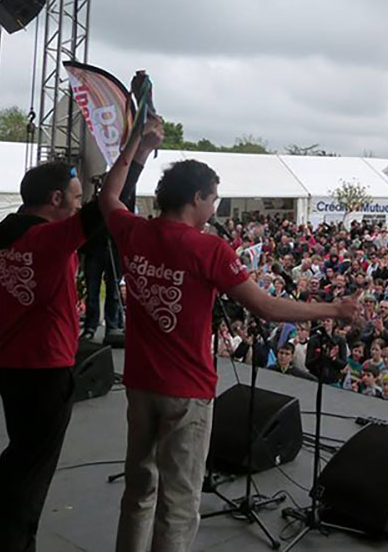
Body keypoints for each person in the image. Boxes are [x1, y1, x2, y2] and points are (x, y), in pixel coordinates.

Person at [99, 136, 356, 552]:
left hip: (140, 382)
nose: (215, 208)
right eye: (214, 199)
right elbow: (267, 308)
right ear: (197, 197)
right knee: (179, 502)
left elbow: (110, 194)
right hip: (186, 391)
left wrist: (140, 147)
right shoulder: (209, 249)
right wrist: (334, 309)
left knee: (139, 488)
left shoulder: (134, 231)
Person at [0, 128, 153, 552]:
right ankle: (16, 542)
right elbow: (109, 202)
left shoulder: (5, 235)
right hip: (46, 368)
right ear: (54, 199)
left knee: (20, 454)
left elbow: (101, 205)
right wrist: (136, 150)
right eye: (73, 197)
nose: (78, 203)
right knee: (36, 469)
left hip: (12, 363)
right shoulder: (48, 240)